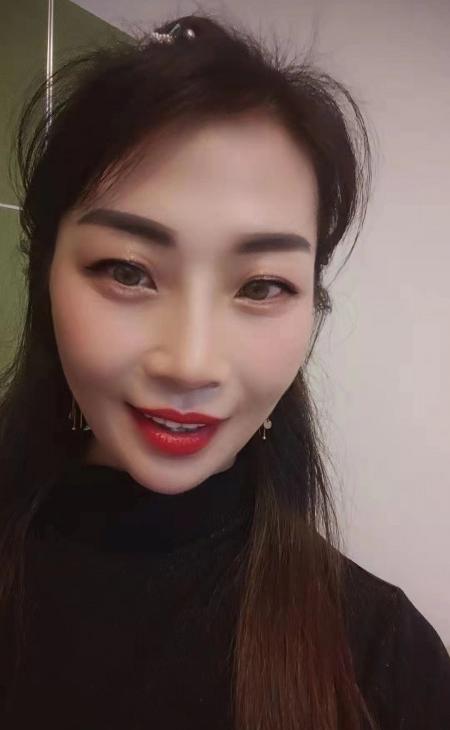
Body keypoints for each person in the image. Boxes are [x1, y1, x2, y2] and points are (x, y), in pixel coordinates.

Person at [0, 12, 449, 730]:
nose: (190, 363)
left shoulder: (384, 660)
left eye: (262, 285)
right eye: (127, 271)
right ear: (45, 276)